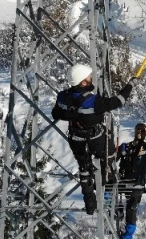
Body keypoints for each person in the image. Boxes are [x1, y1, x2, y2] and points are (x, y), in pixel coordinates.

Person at [52, 63, 134, 215]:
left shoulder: (63, 97)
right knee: (107, 150)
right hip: (95, 139)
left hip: (76, 139)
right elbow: (119, 101)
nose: (91, 79)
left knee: (84, 168)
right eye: (88, 77)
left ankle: (90, 202)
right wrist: (130, 85)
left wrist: (72, 115)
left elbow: (56, 114)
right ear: (83, 82)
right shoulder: (93, 101)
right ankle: (107, 174)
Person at [116, 105, 146, 239]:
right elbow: (112, 160)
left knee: (131, 208)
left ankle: (129, 234)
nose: (140, 132)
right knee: (109, 192)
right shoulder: (126, 146)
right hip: (123, 182)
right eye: (138, 129)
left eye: (143, 130)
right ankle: (116, 213)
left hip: (137, 185)